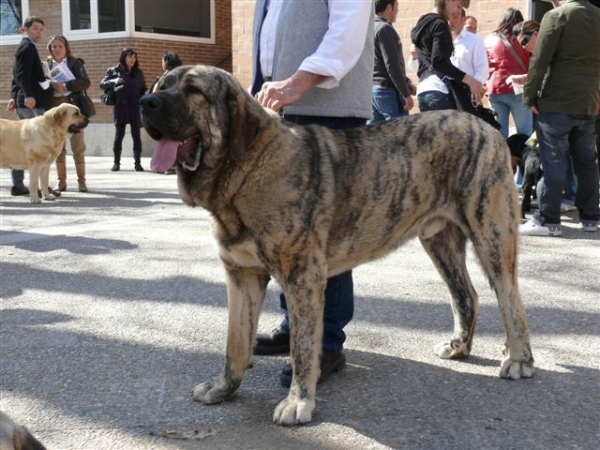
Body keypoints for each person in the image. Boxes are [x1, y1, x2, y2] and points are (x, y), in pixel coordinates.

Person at [250, 0, 374, 388]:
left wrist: (293, 84)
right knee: (288, 233)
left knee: (327, 232)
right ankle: (295, 326)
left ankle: (325, 342)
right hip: (283, 111)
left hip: (329, 113)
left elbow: (345, 34)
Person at [520, 0, 600, 236]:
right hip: (588, 101)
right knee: (587, 162)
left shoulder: (557, 16)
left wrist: (529, 95)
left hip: (557, 100)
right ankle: (590, 218)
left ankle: (548, 220)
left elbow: (540, 59)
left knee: (554, 160)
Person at [512, 20, 577, 214]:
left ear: (536, 31)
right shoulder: (540, 51)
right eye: (521, 44)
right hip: (551, 107)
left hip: (564, 106)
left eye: (525, 41)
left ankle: (567, 198)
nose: (525, 47)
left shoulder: (554, 47)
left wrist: (530, 97)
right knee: (559, 153)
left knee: (568, 154)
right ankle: (564, 196)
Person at [6, 16, 54, 197]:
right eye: (35, 28)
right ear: (24, 29)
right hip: (30, 104)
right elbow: (22, 75)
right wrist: (27, 95)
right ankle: (33, 186)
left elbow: (16, 76)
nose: (39, 32)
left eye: (41, 29)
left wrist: (14, 96)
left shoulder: (28, 47)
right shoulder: (27, 47)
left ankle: (21, 185)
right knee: (32, 146)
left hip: (27, 100)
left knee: (25, 144)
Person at [411, 0, 482, 112]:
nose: (458, 10)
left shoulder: (423, 22)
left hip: (423, 91)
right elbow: (439, 62)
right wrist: (471, 81)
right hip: (439, 91)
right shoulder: (440, 23)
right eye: (458, 6)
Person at [46, 34, 91, 192]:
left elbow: (86, 82)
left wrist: (66, 85)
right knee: (59, 146)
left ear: (66, 48)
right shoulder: (47, 64)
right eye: (53, 47)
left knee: (78, 145)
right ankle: (61, 181)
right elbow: (41, 84)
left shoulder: (75, 63)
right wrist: (51, 84)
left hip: (73, 108)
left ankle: (82, 181)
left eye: (60, 46)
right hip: (56, 109)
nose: (56, 49)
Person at [484, 8, 533, 139]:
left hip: (495, 90)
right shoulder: (523, 39)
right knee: (525, 134)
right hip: (519, 90)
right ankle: (525, 159)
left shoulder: (489, 39)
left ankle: (502, 159)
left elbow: (484, 65)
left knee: (498, 136)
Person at [100, 48, 147, 172]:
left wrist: (144, 96)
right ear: (124, 57)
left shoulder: (138, 72)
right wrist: (114, 81)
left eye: (134, 57)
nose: (132, 59)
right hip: (121, 105)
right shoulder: (114, 70)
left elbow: (143, 88)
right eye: (130, 56)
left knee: (136, 135)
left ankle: (138, 163)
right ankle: (116, 163)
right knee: (119, 134)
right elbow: (102, 84)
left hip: (135, 106)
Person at [370, 0, 414, 123]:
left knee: (374, 137)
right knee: (399, 137)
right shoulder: (385, 29)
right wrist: (405, 93)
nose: (398, 10)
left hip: (373, 92)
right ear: (389, 7)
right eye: (397, 6)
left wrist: (406, 82)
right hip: (388, 93)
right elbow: (392, 65)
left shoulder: (369, 29)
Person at [149, 51, 183, 175]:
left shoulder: (174, 75)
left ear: (167, 61)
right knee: (166, 141)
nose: (161, 63)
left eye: (162, 60)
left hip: (171, 114)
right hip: (162, 113)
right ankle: (165, 164)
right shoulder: (167, 74)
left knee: (172, 141)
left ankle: (171, 164)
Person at [448, 8, 488, 86]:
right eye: (469, 28)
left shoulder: (476, 40)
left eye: (475, 28)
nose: (473, 31)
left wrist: (473, 87)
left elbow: (482, 69)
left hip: (465, 89)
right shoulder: (444, 39)